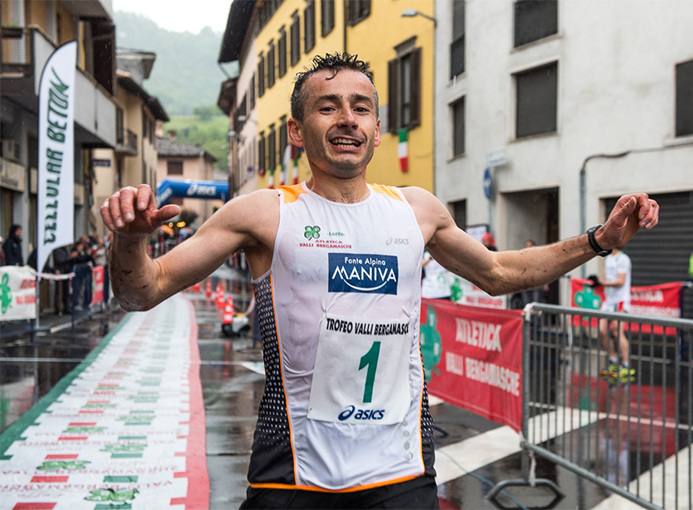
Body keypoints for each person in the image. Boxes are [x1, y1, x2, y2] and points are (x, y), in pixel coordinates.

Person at [100, 53, 659, 509]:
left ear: (376, 127)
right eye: (328, 107)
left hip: (401, 471)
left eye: (360, 107)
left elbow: (499, 272)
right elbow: (142, 291)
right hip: (293, 475)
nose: (347, 118)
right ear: (297, 130)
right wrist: (128, 240)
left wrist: (598, 241)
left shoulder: (417, 210)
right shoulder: (261, 214)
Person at [598, 246, 634, 379]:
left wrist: (603, 284)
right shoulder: (608, 258)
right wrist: (599, 281)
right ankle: (613, 360)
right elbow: (607, 278)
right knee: (602, 330)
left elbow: (620, 281)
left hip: (620, 301)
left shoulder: (623, 259)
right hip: (608, 301)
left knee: (617, 331)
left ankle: (626, 364)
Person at [70, 236, 94, 311]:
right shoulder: (75, 251)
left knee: (86, 287)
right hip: (78, 271)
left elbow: (89, 259)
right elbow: (80, 259)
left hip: (85, 271)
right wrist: (86, 255)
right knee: (77, 288)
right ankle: (76, 303)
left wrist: (89, 255)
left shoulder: (86, 250)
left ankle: (86, 302)